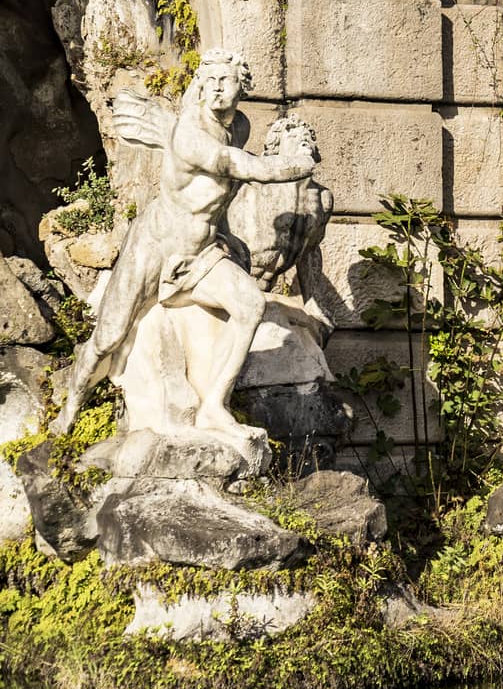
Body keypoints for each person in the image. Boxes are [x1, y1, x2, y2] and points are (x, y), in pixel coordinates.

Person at [52, 51, 316, 436]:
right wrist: (299, 163)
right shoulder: (190, 132)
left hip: (203, 252)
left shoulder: (239, 127)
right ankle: (72, 403)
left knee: (250, 305)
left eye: (226, 81)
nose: (217, 90)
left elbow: (222, 194)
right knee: (109, 335)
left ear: (243, 86)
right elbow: (243, 168)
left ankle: (213, 406)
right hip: (157, 246)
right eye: (210, 81)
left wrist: (229, 240)